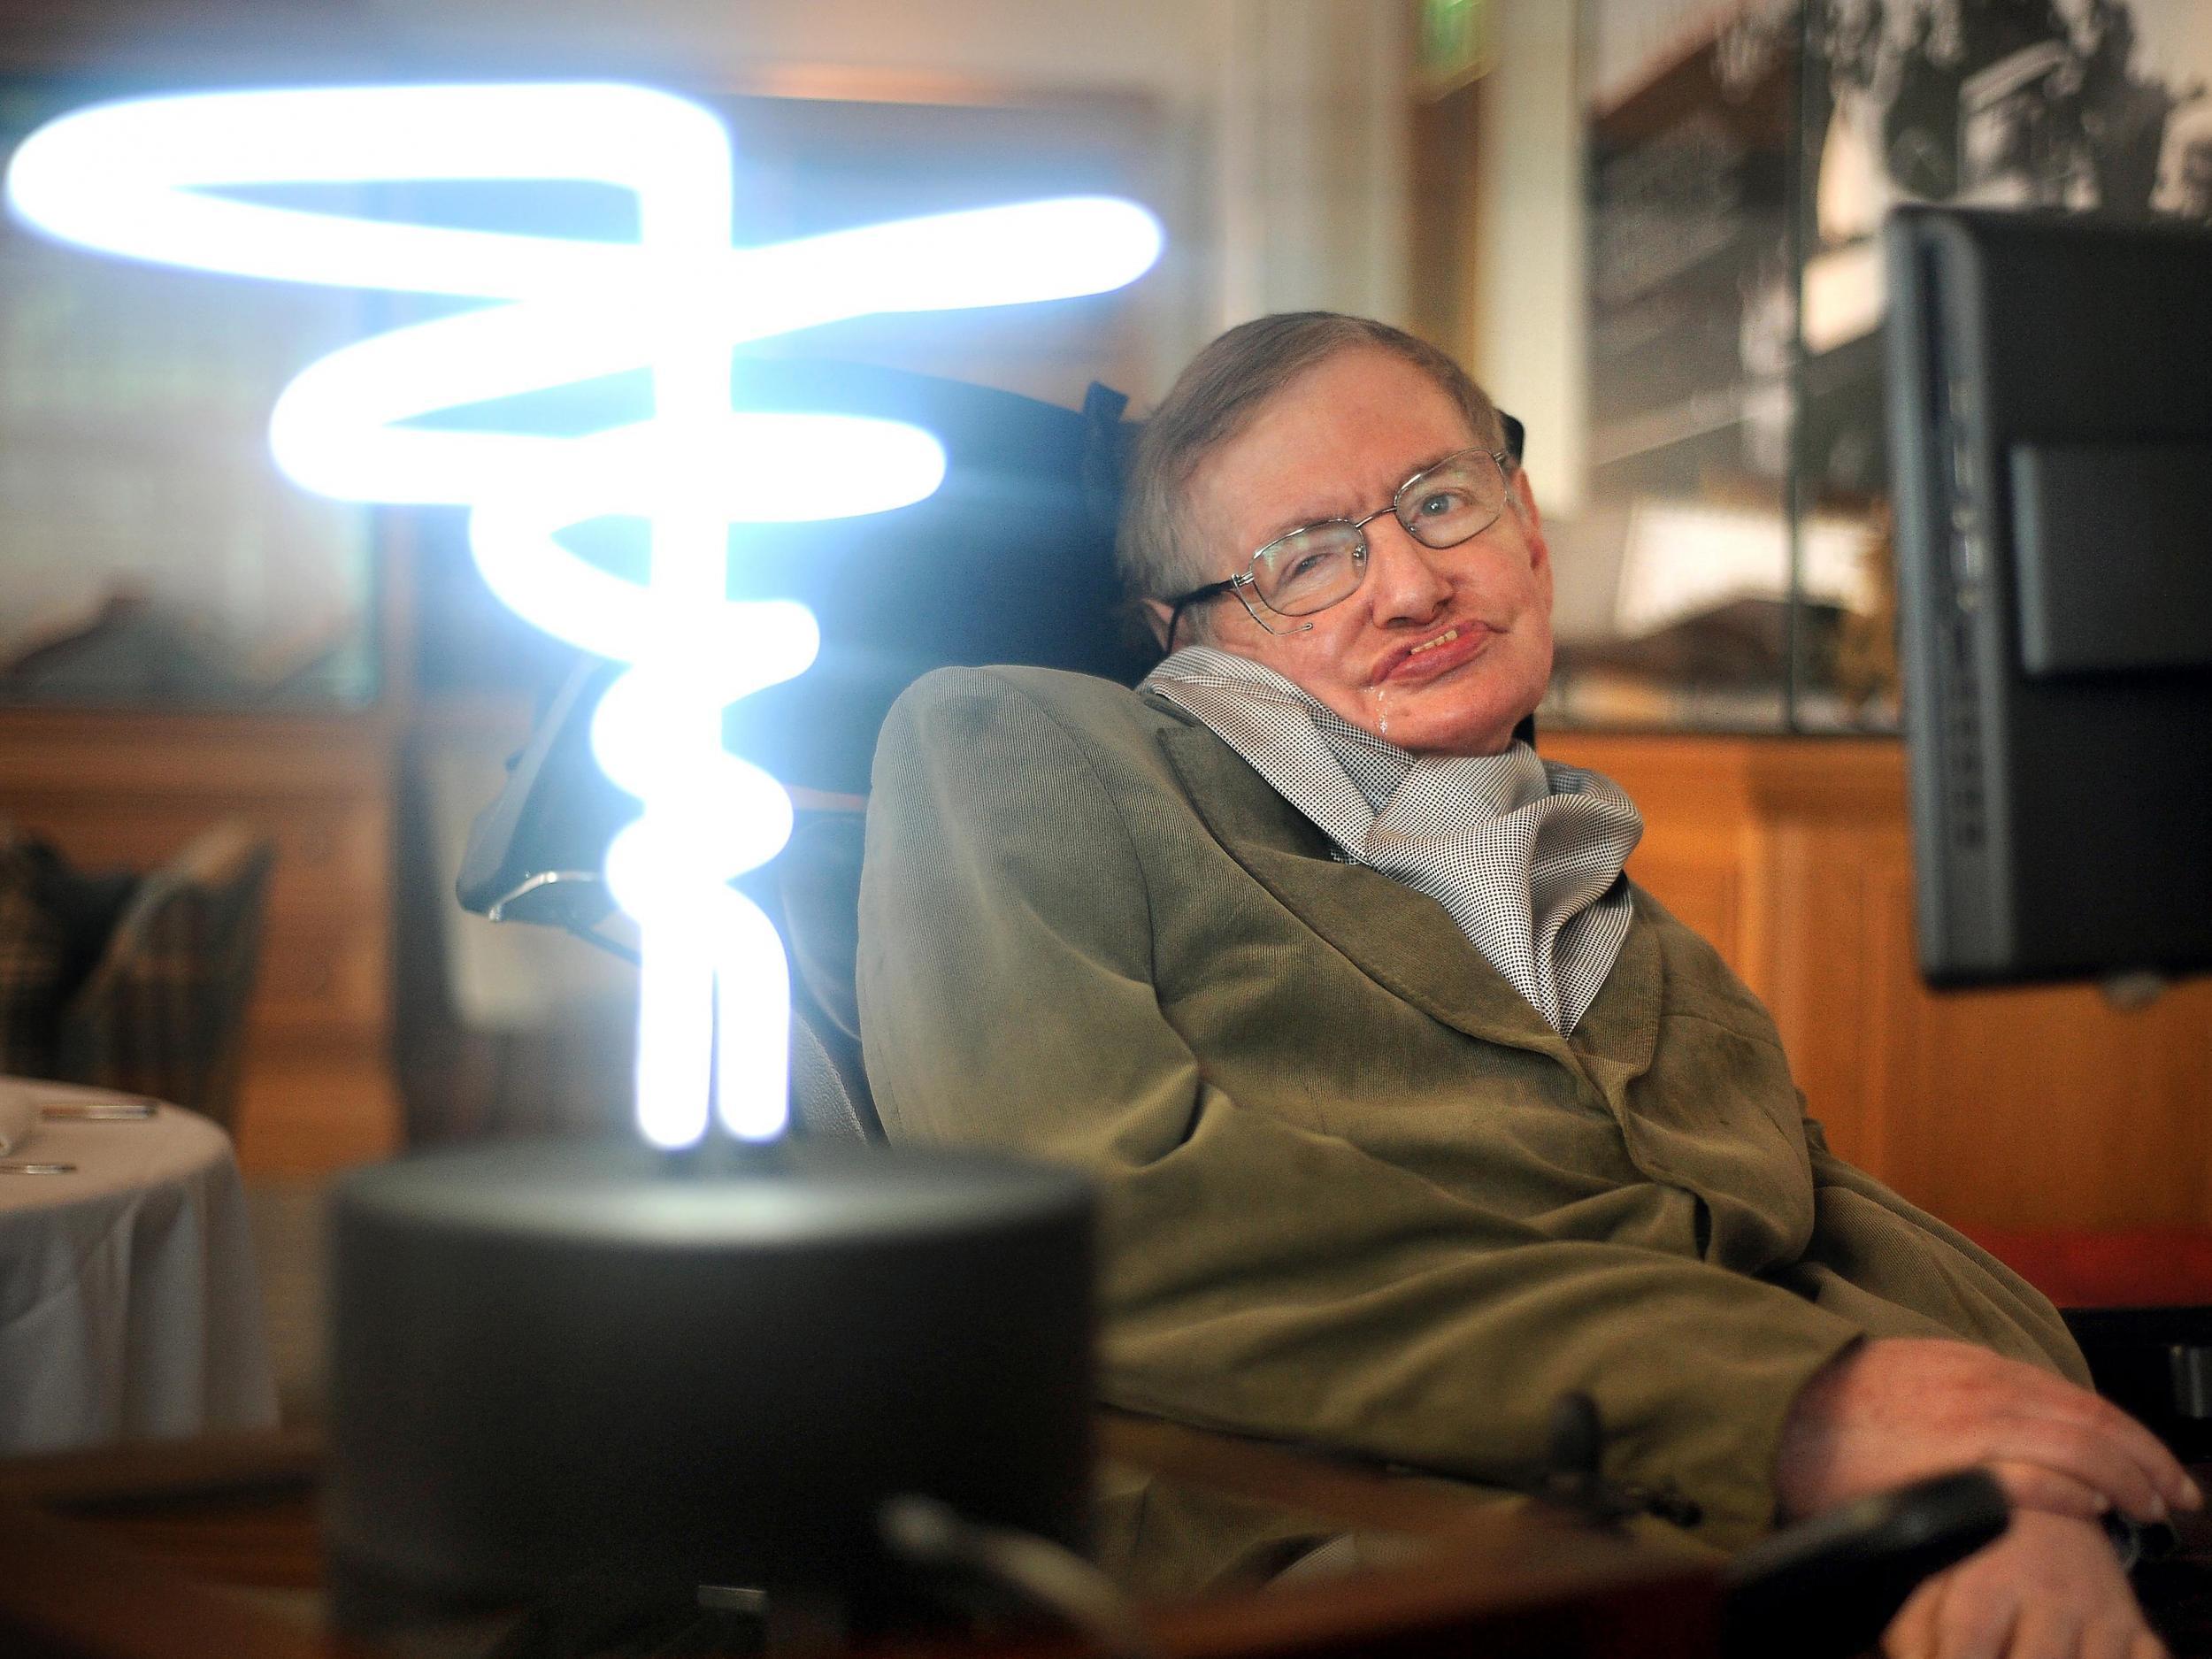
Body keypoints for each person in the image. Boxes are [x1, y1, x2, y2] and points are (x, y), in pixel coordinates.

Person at [855, 313, 2193, 1655]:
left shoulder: (1629, 923)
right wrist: (1806, 1408)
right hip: (1332, 1564)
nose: (1413, 586)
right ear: (1180, 630)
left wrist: (2013, 1490)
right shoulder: (1024, 736)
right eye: (1307, 558)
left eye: (1443, 501)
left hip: (1712, 1534)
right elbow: (1092, 1232)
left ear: (1530, 527)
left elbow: (1826, 1242)